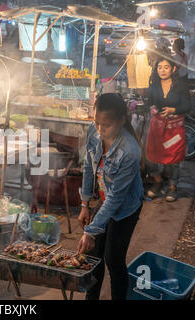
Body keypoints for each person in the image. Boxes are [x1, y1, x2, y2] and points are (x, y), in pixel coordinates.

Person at [77, 93, 144, 300]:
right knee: (93, 257)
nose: (100, 130)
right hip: (105, 200)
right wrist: (85, 203)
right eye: (97, 122)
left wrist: (89, 232)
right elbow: (88, 166)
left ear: (121, 120)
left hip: (125, 207)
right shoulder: (93, 130)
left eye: (106, 125)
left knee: (113, 260)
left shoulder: (130, 151)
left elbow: (115, 199)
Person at [145, 56, 191, 202]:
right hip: (157, 128)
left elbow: (188, 106)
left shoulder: (181, 85)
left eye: (166, 67)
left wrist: (173, 109)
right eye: (159, 67)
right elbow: (150, 101)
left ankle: (172, 187)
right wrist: (152, 107)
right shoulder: (154, 85)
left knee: (174, 157)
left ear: (173, 69)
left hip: (175, 130)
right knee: (149, 155)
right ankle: (158, 182)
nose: (162, 70)